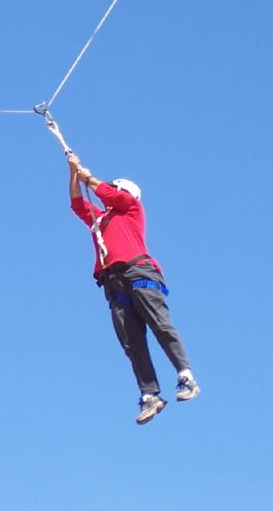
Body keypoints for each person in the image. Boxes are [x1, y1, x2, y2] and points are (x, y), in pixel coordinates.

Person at [67, 153, 199, 425]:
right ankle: (149, 394)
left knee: (160, 324)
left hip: (138, 272)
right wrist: (73, 174)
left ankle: (185, 374)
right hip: (114, 282)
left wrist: (88, 177)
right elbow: (77, 204)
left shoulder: (131, 208)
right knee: (132, 342)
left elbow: (107, 194)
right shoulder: (101, 220)